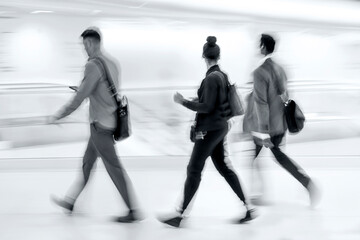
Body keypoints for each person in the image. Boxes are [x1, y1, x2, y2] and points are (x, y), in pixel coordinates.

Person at [158, 36, 255, 228]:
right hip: (220, 128)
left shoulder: (210, 78)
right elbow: (213, 102)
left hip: (209, 130)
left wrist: (183, 101)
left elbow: (207, 106)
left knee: (193, 169)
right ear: (218, 56)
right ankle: (248, 209)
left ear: (204, 57)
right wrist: (197, 99)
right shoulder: (222, 75)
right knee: (224, 167)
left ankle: (179, 215)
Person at [48, 27, 140, 222]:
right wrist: (85, 88)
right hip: (109, 121)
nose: (85, 49)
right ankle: (70, 201)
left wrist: (59, 115)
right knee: (87, 163)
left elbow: (79, 98)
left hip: (100, 126)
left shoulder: (92, 65)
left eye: (86, 45)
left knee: (114, 168)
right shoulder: (113, 63)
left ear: (93, 43)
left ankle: (133, 210)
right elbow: (104, 91)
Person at [244, 33, 320, 206]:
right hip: (280, 124)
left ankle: (260, 194)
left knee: (264, 157)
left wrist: (263, 131)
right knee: (274, 156)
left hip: (265, 126)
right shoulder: (280, 68)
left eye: (259, 45)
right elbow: (284, 95)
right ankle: (305, 183)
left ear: (263, 47)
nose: (258, 48)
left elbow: (261, 103)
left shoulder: (260, 72)